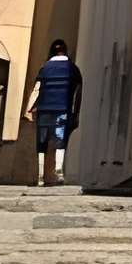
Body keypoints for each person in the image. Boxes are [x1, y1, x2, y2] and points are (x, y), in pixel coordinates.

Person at [23, 38, 80, 186]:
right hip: (62, 109)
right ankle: (59, 171)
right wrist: (76, 113)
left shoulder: (45, 68)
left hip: (44, 110)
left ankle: (40, 176)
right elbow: (77, 93)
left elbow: (36, 89)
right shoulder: (72, 68)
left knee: (41, 143)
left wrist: (28, 109)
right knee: (60, 141)